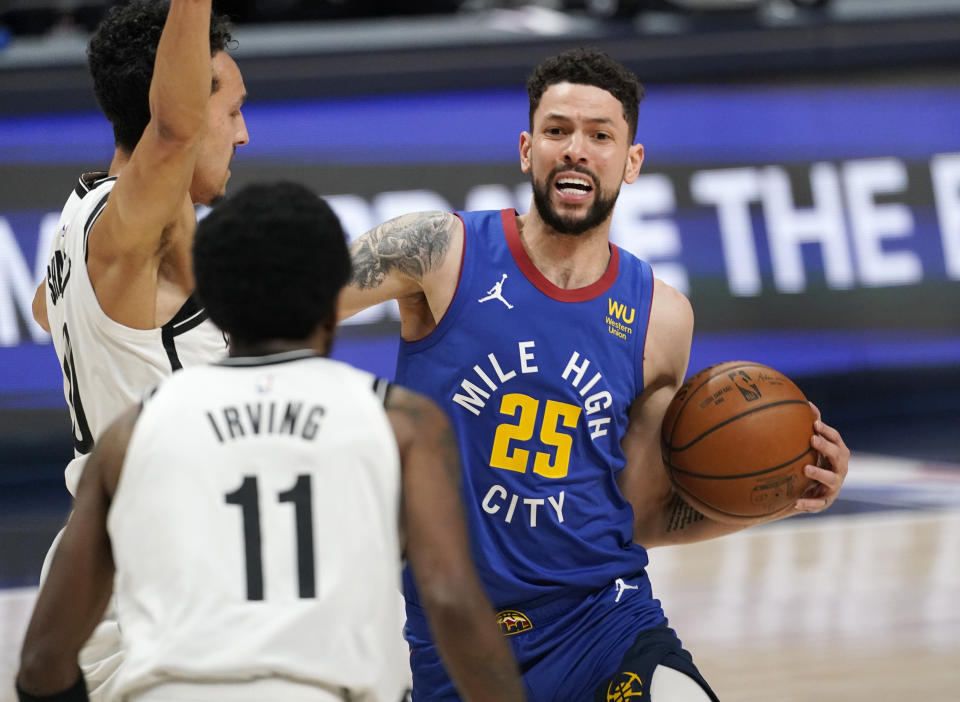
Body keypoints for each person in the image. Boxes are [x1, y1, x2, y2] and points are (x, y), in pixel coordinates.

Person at [340, 48, 851, 700]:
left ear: (631, 161)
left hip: (604, 619)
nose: (576, 148)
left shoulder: (660, 316)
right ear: (527, 149)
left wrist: (778, 494)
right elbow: (283, 309)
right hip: (460, 638)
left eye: (600, 135)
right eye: (558, 131)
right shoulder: (438, 250)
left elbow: (640, 515)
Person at [16, 182, 527, 702]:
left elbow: (41, 662)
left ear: (212, 301)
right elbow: (450, 600)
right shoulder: (400, 423)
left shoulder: (131, 433)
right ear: (335, 299)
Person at [28, 0, 248, 695]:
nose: (243, 135)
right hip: (162, 606)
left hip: (125, 580)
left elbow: (45, 310)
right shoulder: (131, 225)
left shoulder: (84, 224)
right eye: (233, 110)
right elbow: (177, 127)